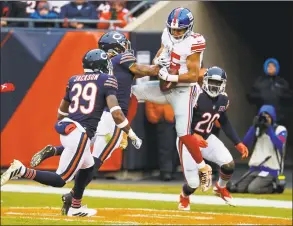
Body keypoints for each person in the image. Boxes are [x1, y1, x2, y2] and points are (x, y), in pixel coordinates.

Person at [30, 31, 160, 215]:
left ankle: (56, 151)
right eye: (122, 45)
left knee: (83, 151)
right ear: (114, 49)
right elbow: (143, 70)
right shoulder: (122, 59)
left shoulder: (101, 70)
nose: (126, 48)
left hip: (98, 116)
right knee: (94, 163)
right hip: (113, 117)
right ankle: (75, 200)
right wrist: (163, 69)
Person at [0, 48, 142, 217]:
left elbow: (61, 111)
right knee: (61, 179)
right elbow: (116, 113)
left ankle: (76, 207)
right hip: (80, 132)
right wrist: (131, 134)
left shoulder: (74, 80)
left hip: (69, 127)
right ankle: (22, 170)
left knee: (88, 167)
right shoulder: (107, 80)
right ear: (102, 65)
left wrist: (69, 123)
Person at [127, 7, 212, 191]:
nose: (176, 32)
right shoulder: (167, 34)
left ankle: (203, 168)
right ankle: (125, 131)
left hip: (184, 91)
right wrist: (159, 62)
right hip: (166, 88)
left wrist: (170, 77)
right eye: (173, 29)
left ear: (188, 28)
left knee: (183, 133)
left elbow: (192, 76)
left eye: (180, 30)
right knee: (133, 92)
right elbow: (161, 52)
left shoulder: (194, 42)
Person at [177, 66, 249, 210]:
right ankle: (184, 197)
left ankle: (220, 188)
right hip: (187, 140)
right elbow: (180, 120)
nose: (214, 86)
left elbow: (224, 121)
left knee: (228, 164)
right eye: (212, 82)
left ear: (223, 84)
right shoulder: (195, 96)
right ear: (205, 81)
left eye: (218, 83)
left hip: (206, 139)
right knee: (193, 184)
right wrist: (192, 134)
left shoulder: (223, 99)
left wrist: (237, 142)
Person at [229, 105, 287, 194]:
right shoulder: (257, 130)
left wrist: (269, 129)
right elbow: (244, 144)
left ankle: (273, 187)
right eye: (263, 116)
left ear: (272, 117)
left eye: (267, 117)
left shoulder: (280, 129)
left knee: (253, 189)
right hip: (255, 168)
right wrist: (253, 127)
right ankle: (260, 183)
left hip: (271, 169)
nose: (265, 119)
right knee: (240, 188)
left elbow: (280, 145)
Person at [246, 58, 293, 123]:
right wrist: (261, 96)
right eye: (269, 66)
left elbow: (289, 97)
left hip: (279, 119)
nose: (271, 68)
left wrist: (281, 96)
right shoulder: (259, 81)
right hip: (262, 118)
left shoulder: (282, 82)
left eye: (273, 66)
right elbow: (250, 96)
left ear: (277, 68)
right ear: (265, 67)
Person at [145, 101, 177, 181]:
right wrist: (153, 117)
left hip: (178, 116)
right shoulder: (153, 88)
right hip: (164, 118)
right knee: (166, 146)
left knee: (177, 147)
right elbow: (149, 100)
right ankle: (166, 171)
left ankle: (172, 170)